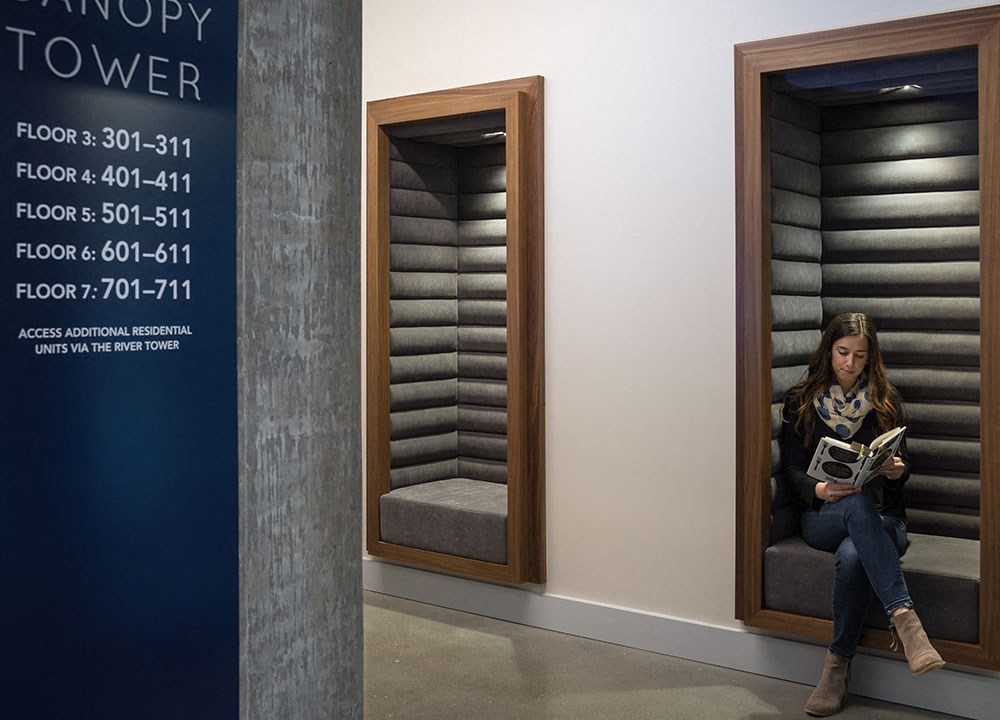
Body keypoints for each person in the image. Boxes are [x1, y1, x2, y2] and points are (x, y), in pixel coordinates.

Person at [779, 312, 944, 717]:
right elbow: (790, 470)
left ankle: (836, 668)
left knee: (855, 553)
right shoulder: (801, 401)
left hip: (885, 520)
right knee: (852, 502)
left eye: (858, 355)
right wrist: (819, 488)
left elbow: (898, 480)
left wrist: (895, 471)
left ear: (870, 358)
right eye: (842, 352)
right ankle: (905, 619)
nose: (849, 363)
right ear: (828, 350)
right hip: (822, 516)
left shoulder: (886, 400)